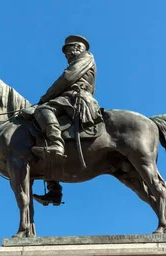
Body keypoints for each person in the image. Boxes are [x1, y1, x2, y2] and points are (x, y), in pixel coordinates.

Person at [32, 34, 102, 207]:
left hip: (76, 98)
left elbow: (67, 78)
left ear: (78, 48)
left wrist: (45, 97)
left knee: (44, 109)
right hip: (69, 98)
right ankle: (54, 189)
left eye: (69, 51)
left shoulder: (86, 58)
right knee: (40, 133)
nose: (67, 55)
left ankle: (56, 144)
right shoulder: (80, 59)